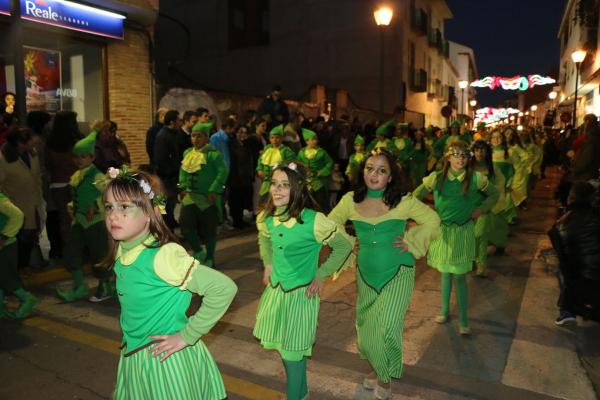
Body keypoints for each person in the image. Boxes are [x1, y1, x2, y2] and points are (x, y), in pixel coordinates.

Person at [103, 169, 237, 400]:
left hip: (164, 360)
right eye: (109, 207)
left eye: (124, 207)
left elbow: (224, 288)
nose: (113, 215)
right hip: (136, 355)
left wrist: (188, 334)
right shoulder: (124, 248)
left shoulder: (163, 256)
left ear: (150, 213)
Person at [328, 148, 440, 399]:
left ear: (390, 177)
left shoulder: (403, 200)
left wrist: (411, 242)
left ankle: (384, 377)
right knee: (367, 329)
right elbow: (328, 225)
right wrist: (348, 241)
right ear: (362, 171)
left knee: (387, 325)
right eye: (369, 168)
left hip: (398, 272)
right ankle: (377, 366)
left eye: (381, 170)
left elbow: (432, 220)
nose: (374, 174)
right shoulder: (350, 200)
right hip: (365, 275)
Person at [253, 161, 353, 400]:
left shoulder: (314, 220)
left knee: (292, 353)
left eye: (285, 185)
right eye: (274, 184)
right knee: (286, 350)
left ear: (297, 188)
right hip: (276, 292)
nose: (276, 190)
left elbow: (343, 247)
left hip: (301, 295)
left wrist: (321, 274)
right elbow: (264, 239)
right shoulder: (267, 217)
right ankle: (303, 392)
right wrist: (268, 263)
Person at [414, 141, 498, 335]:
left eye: (464, 155)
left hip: (463, 232)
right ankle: (444, 310)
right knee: (445, 274)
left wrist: (481, 209)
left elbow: (494, 193)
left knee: (460, 277)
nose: (460, 158)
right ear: (448, 157)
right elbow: (416, 195)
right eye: (456, 154)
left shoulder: (476, 178)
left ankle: (463, 319)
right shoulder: (436, 178)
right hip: (443, 233)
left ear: (468, 158)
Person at [56, 131, 113, 302]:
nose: (78, 160)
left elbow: (109, 195)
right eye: (76, 157)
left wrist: (95, 207)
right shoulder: (77, 175)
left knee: (99, 255)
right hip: (79, 222)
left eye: (83, 156)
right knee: (71, 253)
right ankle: (80, 286)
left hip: (95, 223)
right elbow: (77, 196)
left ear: (92, 157)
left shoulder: (96, 176)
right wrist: (72, 207)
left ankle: (105, 287)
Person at [548, 181, 600, 325]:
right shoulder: (596, 217)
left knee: (563, 266)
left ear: (570, 199)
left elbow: (565, 261)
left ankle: (567, 311)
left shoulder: (559, 226)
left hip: (581, 287)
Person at [178, 123, 228, 267]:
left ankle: (211, 257)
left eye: (199, 136)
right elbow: (182, 171)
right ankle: (199, 251)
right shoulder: (187, 153)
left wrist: (214, 190)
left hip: (208, 198)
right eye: (193, 135)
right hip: (190, 197)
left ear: (207, 138)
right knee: (185, 225)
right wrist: (181, 186)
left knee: (209, 230)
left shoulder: (214, 155)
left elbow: (222, 172)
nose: (196, 139)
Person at [0, 128, 44, 269]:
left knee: (31, 237)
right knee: (18, 241)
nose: (34, 140)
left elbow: (37, 178)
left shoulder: (32, 153)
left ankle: (24, 267)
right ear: (20, 143)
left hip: (34, 204)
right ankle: (17, 270)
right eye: (30, 138)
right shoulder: (3, 159)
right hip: (14, 207)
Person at [45, 111, 81, 260]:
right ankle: (79, 251)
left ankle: (68, 253)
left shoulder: (51, 141)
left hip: (57, 184)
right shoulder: (78, 140)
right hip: (76, 182)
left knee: (63, 219)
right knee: (79, 217)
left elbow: (48, 165)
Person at [471, 140, 506, 277]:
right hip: (469, 207)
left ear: (487, 152)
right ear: (473, 152)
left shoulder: (492, 168)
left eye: (482, 149)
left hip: (485, 207)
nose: (480, 152)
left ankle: (481, 264)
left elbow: (500, 183)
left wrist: (492, 196)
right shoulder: (468, 166)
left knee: (482, 234)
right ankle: (474, 258)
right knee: (472, 235)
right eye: (477, 149)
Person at [0, 191, 37, 318]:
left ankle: (27, 299)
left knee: (6, 277)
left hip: (6, 246)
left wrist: (4, 236)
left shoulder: (1, 200)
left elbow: (18, 215)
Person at [153, 110, 182, 229]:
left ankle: (170, 230)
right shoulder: (163, 136)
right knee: (166, 206)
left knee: (171, 205)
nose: (180, 122)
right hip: (166, 178)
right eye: (178, 120)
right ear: (172, 122)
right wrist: (170, 172)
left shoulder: (173, 134)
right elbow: (160, 158)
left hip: (172, 176)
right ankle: (167, 233)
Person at [489, 129, 515, 253]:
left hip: (501, 189)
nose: (496, 140)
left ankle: (500, 243)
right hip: (487, 190)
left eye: (499, 137)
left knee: (499, 217)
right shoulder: (486, 152)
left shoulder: (508, 153)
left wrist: (509, 185)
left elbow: (512, 171)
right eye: (494, 137)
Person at [256, 125, 296, 200]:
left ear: (282, 138)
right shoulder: (267, 148)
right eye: (272, 138)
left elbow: (292, 165)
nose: (274, 140)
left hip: (279, 183)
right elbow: (260, 160)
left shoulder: (286, 151)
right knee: (263, 203)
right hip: (266, 183)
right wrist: (260, 169)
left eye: (277, 138)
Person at [297, 128, 333, 212]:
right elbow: (298, 164)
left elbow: (330, 162)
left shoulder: (321, 152)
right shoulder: (301, 153)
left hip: (318, 181)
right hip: (306, 181)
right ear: (306, 141)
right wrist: (302, 171)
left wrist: (322, 171)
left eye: (315, 139)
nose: (314, 141)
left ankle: (324, 216)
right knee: (306, 201)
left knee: (321, 200)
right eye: (312, 139)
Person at [228, 125, 255, 228]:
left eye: (245, 132)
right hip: (235, 177)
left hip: (244, 177)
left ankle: (240, 220)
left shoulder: (246, 145)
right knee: (235, 200)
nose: (242, 135)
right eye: (240, 132)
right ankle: (237, 220)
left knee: (241, 199)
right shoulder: (232, 145)